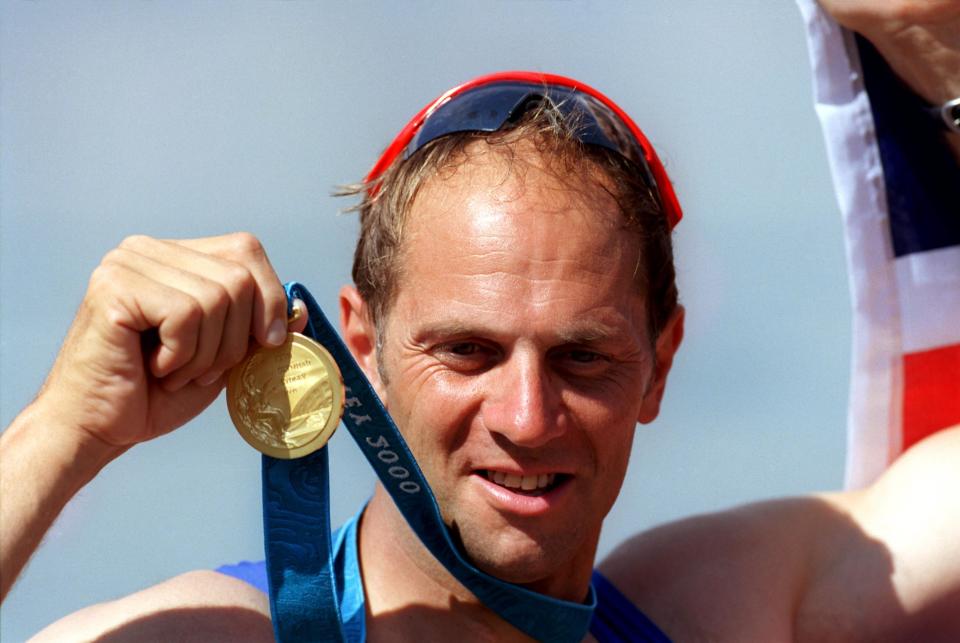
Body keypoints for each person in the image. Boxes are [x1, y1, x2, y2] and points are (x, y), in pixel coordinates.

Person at [2, 1, 959, 640]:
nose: (528, 417)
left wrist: (943, 54)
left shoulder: (715, 606)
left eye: (583, 357)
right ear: (361, 347)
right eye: (467, 350)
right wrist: (62, 430)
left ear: (661, 362)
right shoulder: (211, 633)